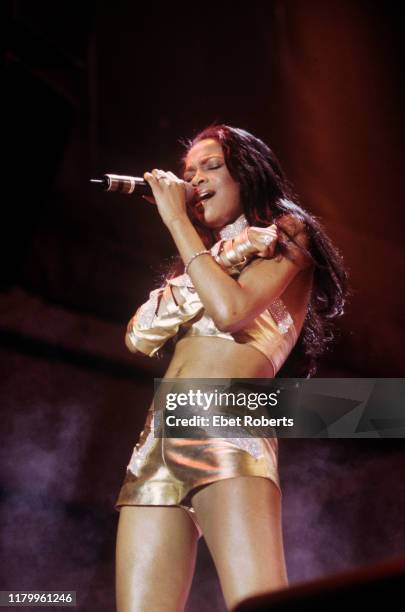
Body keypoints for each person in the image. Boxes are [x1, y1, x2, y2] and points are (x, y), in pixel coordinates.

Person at [114, 125, 348, 611]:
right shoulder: (201, 266)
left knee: (257, 603)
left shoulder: (287, 231)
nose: (194, 179)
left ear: (247, 174)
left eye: (212, 166)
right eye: (188, 172)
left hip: (226, 418)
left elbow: (232, 310)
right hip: (159, 434)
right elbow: (138, 336)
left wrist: (176, 220)